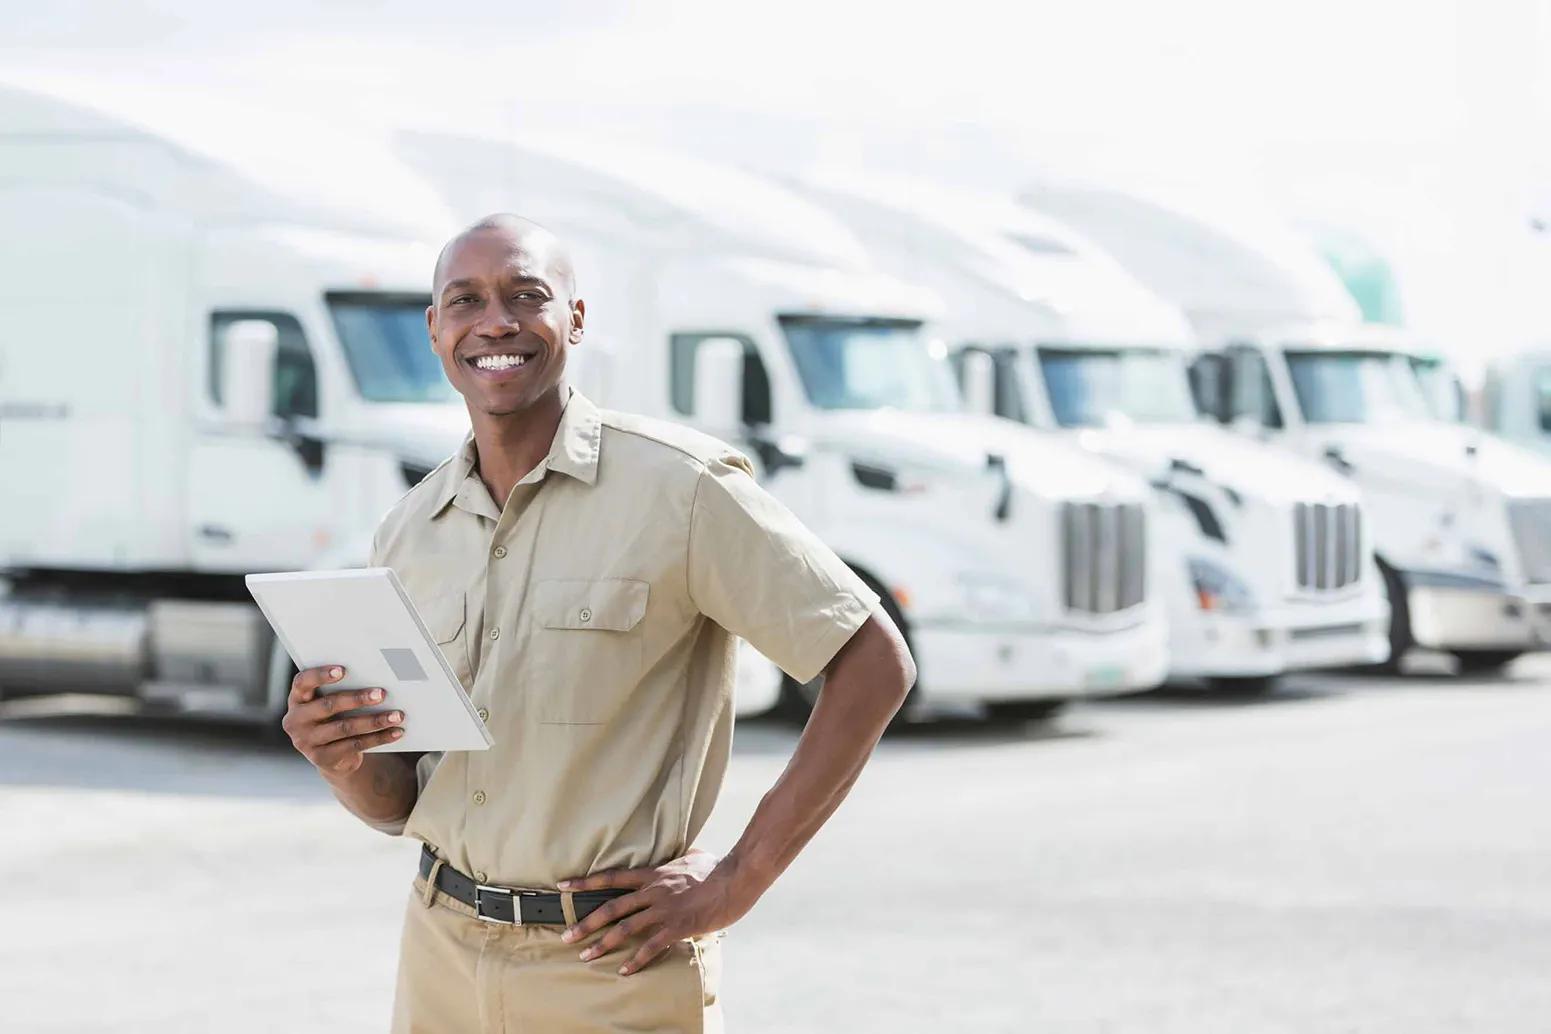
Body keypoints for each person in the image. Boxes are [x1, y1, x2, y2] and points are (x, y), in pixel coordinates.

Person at [281, 214, 917, 1031]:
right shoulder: (410, 531)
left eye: (526, 296)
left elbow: (873, 661)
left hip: (611, 969)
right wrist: (336, 757)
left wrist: (735, 880)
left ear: (574, 319)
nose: (496, 322)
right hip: (439, 957)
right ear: (435, 330)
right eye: (465, 300)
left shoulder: (680, 489)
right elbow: (396, 798)